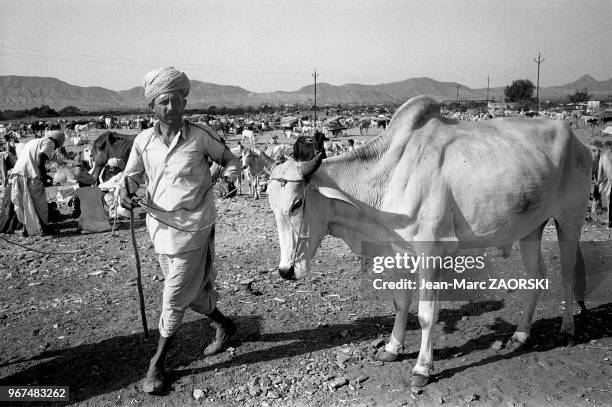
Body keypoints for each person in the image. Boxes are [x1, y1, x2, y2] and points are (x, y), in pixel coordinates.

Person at [119, 67, 241, 395]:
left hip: (194, 229)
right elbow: (130, 177)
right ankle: (225, 325)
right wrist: (126, 192)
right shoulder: (143, 142)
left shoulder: (201, 135)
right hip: (160, 230)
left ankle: (156, 365)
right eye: (163, 103)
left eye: (176, 101)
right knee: (192, 294)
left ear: (184, 102)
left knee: (173, 298)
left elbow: (231, 160)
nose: (171, 108)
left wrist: (227, 179)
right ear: (151, 108)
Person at [9, 130, 65, 236]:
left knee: (25, 203)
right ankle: (43, 229)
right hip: (31, 176)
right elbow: (41, 157)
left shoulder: (33, 141)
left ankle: (27, 229)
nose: (56, 148)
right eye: (58, 145)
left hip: (18, 173)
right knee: (39, 204)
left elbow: (34, 158)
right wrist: (44, 177)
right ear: (57, 141)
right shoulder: (50, 142)